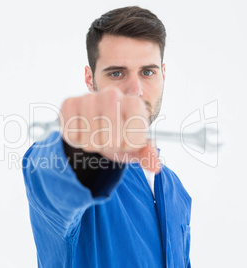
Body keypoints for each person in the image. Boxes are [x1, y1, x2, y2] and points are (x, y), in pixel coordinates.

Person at [22, 6, 192, 267]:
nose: (135, 90)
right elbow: (50, 177)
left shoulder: (175, 189)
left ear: (163, 74)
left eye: (148, 72)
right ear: (90, 80)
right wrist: (79, 148)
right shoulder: (71, 166)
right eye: (116, 73)